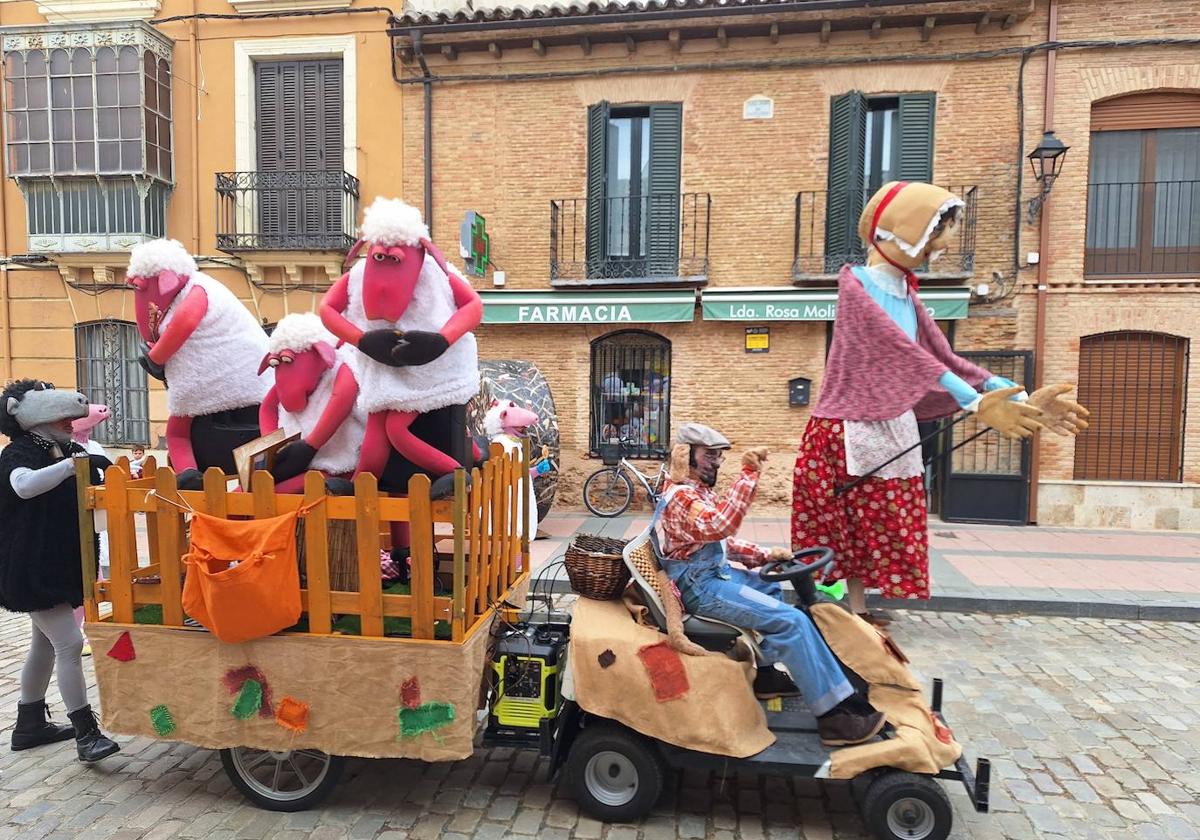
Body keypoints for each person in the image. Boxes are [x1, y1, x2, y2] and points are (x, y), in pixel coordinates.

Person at [655, 422, 885, 747]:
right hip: (700, 587)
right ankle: (835, 717)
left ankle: (764, 675)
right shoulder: (680, 497)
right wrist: (748, 474)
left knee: (771, 588)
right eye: (710, 456)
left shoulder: (697, 493)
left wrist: (767, 556)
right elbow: (720, 525)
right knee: (793, 621)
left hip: (709, 576)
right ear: (685, 455)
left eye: (720, 457)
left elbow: (724, 545)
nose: (717, 463)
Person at [0, 379, 121, 762]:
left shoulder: (62, 447)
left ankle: (30, 723)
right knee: (68, 644)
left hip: (56, 562)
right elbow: (23, 486)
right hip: (32, 568)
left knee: (43, 645)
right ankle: (87, 734)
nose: (71, 422)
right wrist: (72, 466)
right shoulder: (18, 452)